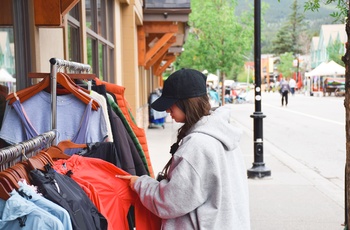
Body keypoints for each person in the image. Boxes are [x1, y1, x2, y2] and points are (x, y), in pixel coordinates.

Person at [117, 68, 251, 229]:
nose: (167, 111)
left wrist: (140, 183)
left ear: (186, 103)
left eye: (170, 104)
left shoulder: (197, 146)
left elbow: (170, 201)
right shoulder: (224, 135)